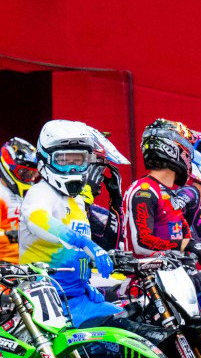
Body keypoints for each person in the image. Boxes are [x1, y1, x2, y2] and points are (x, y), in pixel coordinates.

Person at [18, 119, 124, 326]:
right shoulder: (40, 192)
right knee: (70, 354)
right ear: (46, 160)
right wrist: (85, 243)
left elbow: (82, 251)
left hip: (77, 297)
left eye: (80, 161)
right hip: (46, 298)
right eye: (64, 160)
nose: (73, 168)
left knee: (126, 325)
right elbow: (38, 220)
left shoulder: (75, 201)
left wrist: (85, 283)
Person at [119, 119, 201, 256]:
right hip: (147, 276)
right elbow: (141, 244)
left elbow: (181, 239)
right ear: (173, 150)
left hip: (173, 274)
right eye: (189, 150)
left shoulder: (167, 192)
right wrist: (186, 245)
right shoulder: (144, 191)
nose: (190, 158)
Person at [0, 137, 40, 273]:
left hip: (26, 263)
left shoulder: (30, 194)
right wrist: (20, 234)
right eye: (24, 173)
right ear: (8, 167)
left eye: (33, 174)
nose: (29, 179)